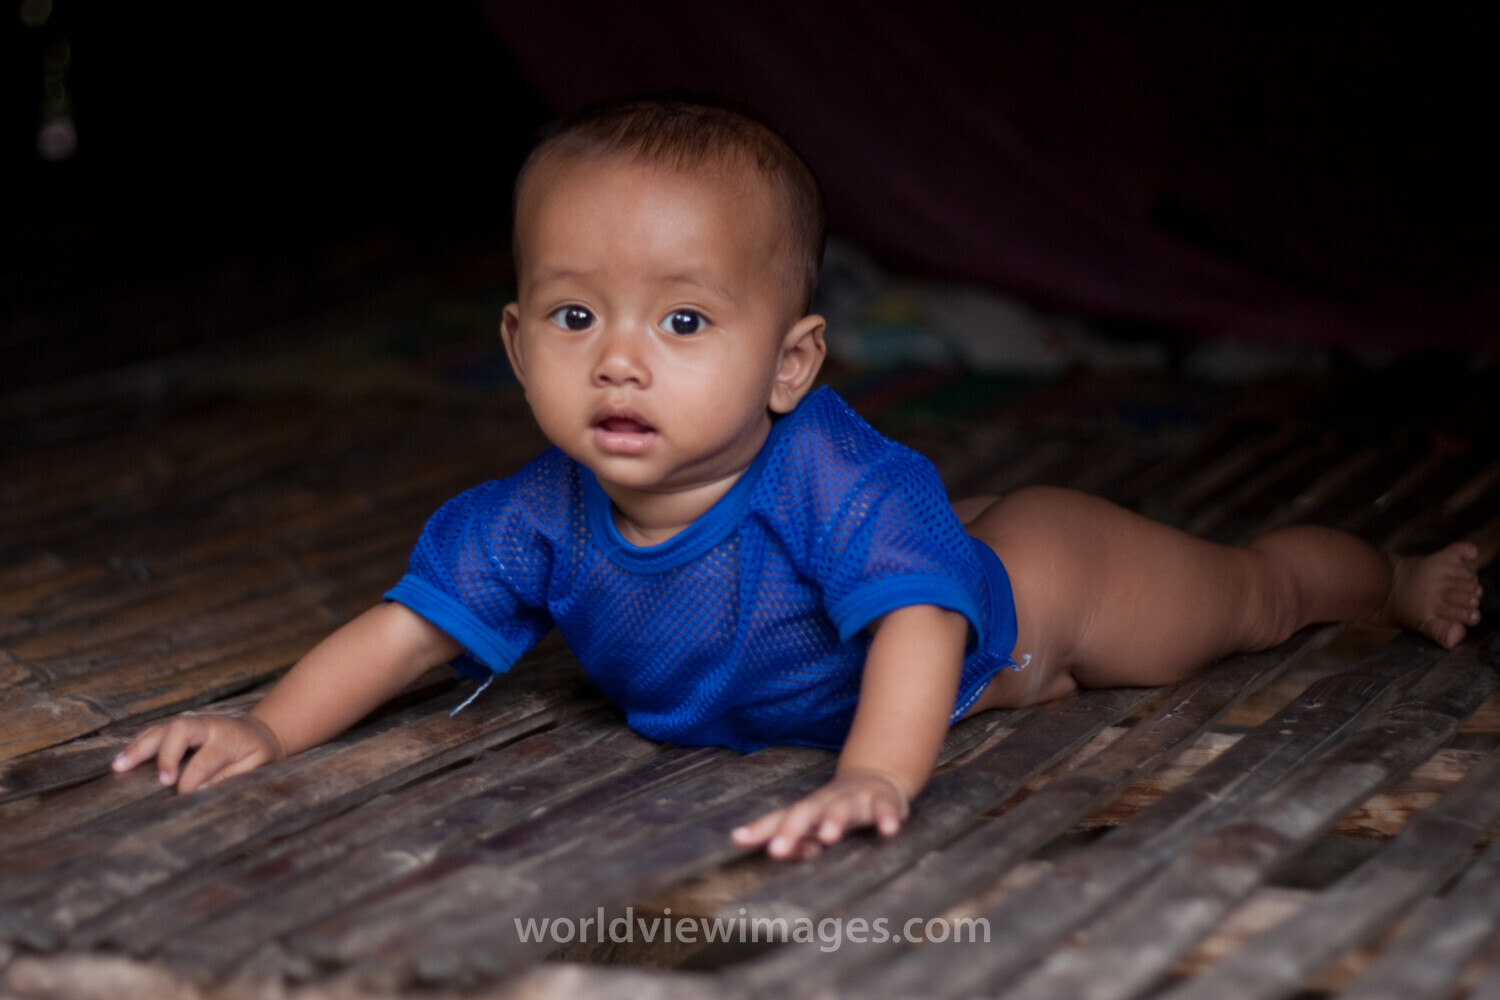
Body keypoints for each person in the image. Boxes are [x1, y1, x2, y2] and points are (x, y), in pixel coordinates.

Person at [113, 100, 1484, 861]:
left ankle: (1394, 573)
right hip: (942, 634)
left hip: (1035, 598)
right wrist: (270, 728)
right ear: (517, 344)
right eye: (577, 319)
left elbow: (919, 623)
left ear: (792, 360)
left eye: (685, 322)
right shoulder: (532, 514)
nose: (622, 366)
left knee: (1248, 595)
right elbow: (406, 628)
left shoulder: (832, 471)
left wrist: (878, 775)